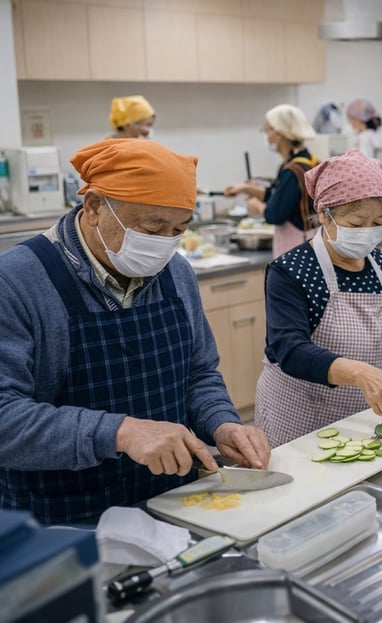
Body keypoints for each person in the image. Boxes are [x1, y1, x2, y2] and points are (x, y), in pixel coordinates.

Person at [0, 139, 270, 525]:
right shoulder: (16, 282)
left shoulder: (176, 274)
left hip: (171, 504)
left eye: (177, 229)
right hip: (62, 521)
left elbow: (198, 373)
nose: (163, 245)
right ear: (94, 207)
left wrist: (222, 421)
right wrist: (120, 432)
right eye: (151, 228)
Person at [255, 149, 382, 447]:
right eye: (357, 224)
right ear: (324, 214)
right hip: (302, 421)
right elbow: (291, 350)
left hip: (368, 419)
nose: (368, 233)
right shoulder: (291, 271)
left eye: (377, 223)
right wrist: (361, 374)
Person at [224, 105, 320, 257]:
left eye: (267, 130)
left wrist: (258, 206)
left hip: (297, 247)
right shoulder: (306, 160)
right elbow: (279, 195)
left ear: (280, 133)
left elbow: (275, 214)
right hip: (310, 241)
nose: (266, 135)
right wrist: (246, 188)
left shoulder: (292, 171)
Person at [346, 98, 382, 209]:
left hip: (373, 194)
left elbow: (364, 169)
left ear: (357, 119)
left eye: (350, 119)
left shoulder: (364, 138)